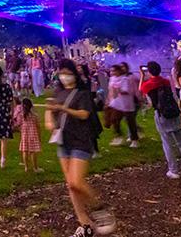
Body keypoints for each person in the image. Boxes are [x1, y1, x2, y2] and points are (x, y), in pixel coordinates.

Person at [45, 59, 116, 237]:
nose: (64, 76)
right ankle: (85, 224)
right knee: (71, 185)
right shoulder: (58, 92)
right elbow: (50, 117)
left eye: (67, 73)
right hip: (64, 142)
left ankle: (100, 209)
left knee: (76, 182)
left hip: (80, 141)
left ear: (74, 74)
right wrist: (50, 116)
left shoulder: (82, 94)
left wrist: (64, 109)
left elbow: (84, 114)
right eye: (61, 73)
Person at [139, 61, 181, 179]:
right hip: (174, 113)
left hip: (162, 115)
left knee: (167, 143)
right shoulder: (165, 81)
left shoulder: (148, 85)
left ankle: (173, 170)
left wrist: (142, 76)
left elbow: (141, 90)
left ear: (149, 72)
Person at [106, 64, 139, 148]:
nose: (112, 73)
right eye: (111, 71)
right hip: (116, 103)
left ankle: (134, 140)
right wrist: (108, 99)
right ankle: (118, 136)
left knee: (130, 122)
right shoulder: (112, 79)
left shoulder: (125, 79)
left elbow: (126, 90)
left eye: (114, 71)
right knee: (114, 120)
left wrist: (117, 89)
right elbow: (110, 91)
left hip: (126, 103)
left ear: (118, 71)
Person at [17, 97, 42, 172]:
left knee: (25, 151)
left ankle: (26, 167)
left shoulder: (21, 115)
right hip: (33, 135)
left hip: (24, 135)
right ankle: (35, 168)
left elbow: (18, 124)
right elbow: (38, 126)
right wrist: (39, 136)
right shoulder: (34, 115)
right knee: (33, 151)